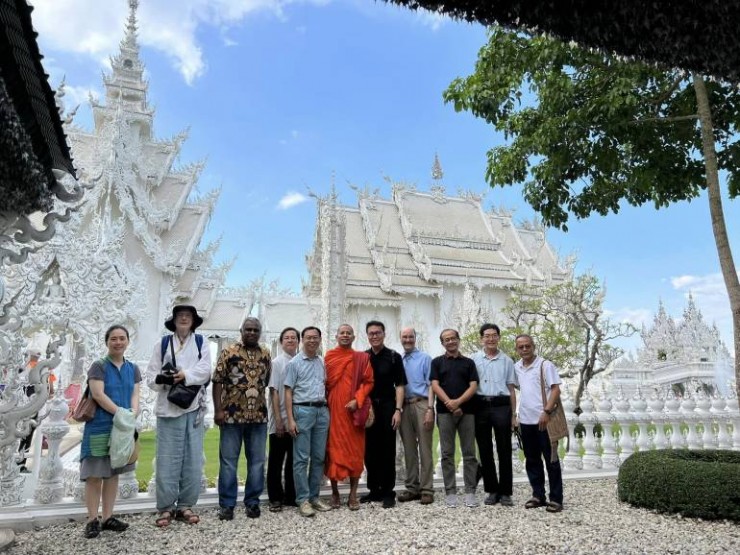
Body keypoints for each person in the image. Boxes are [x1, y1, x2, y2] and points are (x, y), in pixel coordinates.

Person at [146, 304, 212, 527]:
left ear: (193, 321)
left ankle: (186, 504)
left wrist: (185, 375)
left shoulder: (201, 343)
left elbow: (205, 371)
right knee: (166, 459)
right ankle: (165, 507)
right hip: (168, 408)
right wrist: (164, 379)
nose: (184, 319)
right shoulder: (162, 344)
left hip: (193, 407)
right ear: (174, 321)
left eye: (188, 316)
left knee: (193, 459)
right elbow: (150, 376)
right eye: (180, 316)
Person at [80, 325, 140, 539]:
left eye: (122, 338)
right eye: (113, 339)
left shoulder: (132, 368)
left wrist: (132, 412)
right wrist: (120, 413)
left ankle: (107, 517)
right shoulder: (99, 366)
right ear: (107, 342)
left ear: (127, 341)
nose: (118, 342)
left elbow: (135, 393)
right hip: (100, 425)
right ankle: (91, 519)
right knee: (95, 475)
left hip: (122, 429)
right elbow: (97, 394)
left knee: (113, 474)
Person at [213, 317, 271, 521]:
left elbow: (266, 381)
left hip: (258, 417)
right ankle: (227, 505)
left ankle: (252, 502)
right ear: (241, 330)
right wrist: (218, 410)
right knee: (229, 462)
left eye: (256, 330)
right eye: (248, 329)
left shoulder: (266, 353)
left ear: (260, 332)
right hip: (231, 416)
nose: (252, 333)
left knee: (257, 462)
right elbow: (218, 381)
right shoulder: (229, 352)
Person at [324, 324, 374, 510]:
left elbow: (369, 382)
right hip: (334, 409)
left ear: (354, 337)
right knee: (333, 450)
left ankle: (353, 494)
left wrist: (357, 400)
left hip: (353, 410)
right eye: (342, 333)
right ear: (336, 336)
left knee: (355, 451)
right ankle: (335, 493)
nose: (345, 335)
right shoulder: (329, 357)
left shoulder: (361, 358)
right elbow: (324, 383)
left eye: (349, 333)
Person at [284, 326, 333, 517]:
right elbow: (288, 391)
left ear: (320, 340)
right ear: (302, 340)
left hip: (321, 411)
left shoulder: (322, 361)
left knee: (319, 457)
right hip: (302, 410)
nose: (312, 341)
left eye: (315, 338)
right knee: (301, 458)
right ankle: (302, 499)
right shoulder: (295, 363)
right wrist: (290, 419)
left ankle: (314, 496)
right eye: (308, 337)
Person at [514, 334, 564, 513]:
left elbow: (556, 389)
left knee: (551, 460)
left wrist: (547, 411)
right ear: (517, 349)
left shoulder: (545, 365)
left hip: (545, 420)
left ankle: (556, 498)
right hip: (526, 421)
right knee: (532, 460)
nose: (525, 349)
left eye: (528, 346)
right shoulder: (517, 368)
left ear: (533, 346)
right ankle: (538, 495)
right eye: (521, 347)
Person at [431, 328, 479, 508]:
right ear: (442, 343)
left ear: (458, 340)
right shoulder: (437, 362)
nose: (450, 342)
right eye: (446, 340)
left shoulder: (468, 363)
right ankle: (450, 491)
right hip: (444, 413)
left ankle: (470, 491)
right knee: (446, 453)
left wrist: (458, 402)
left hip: (467, 412)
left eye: (453, 338)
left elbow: (473, 386)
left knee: (469, 453)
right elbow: (435, 385)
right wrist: (449, 404)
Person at [361, 320, 406, 508]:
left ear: (384, 334)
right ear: (367, 335)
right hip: (369, 407)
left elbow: (400, 385)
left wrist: (398, 410)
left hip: (388, 406)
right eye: (371, 333)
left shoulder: (394, 357)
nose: (374, 336)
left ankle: (388, 492)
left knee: (388, 450)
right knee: (370, 451)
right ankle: (374, 490)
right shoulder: (363, 357)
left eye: (377, 333)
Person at [472, 323, 517, 506]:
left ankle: (506, 492)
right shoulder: (474, 359)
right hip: (480, 405)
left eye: (494, 335)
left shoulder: (507, 361)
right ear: (481, 339)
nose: (490, 339)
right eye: (487, 336)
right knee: (484, 450)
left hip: (501, 405)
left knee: (504, 449)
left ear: (499, 337)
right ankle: (492, 490)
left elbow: (511, 389)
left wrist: (514, 414)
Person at [397, 327, 435, 505]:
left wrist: (430, 408)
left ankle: (427, 489)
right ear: (400, 339)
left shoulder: (425, 358)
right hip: (404, 406)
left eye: (410, 336)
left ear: (415, 337)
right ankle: (412, 487)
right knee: (409, 449)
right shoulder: (398, 359)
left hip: (421, 404)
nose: (408, 340)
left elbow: (431, 385)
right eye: (404, 337)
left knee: (425, 449)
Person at [267, 327, 299, 512]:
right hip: (279, 418)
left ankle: (291, 496)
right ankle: (275, 498)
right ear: (281, 342)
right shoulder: (277, 362)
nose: (290, 340)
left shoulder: (299, 361)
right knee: (276, 460)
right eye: (286, 338)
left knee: (293, 460)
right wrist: (278, 419)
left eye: (293, 338)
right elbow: (274, 390)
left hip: (295, 418)